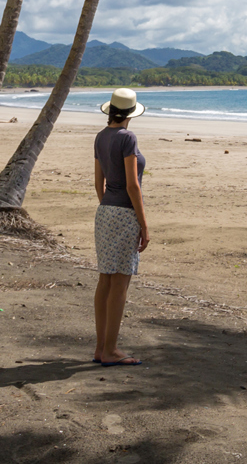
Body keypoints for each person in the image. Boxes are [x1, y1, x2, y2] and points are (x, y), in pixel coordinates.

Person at [93, 88, 148, 367]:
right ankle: (111, 350)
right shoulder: (127, 138)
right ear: (131, 113)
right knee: (120, 282)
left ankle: (101, 347)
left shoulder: (101, 137)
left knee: (105, 279)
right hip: (124, 213)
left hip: (104, 213)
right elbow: (132, 184)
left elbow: (97, 183)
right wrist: (143, 223)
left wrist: (109, 207)